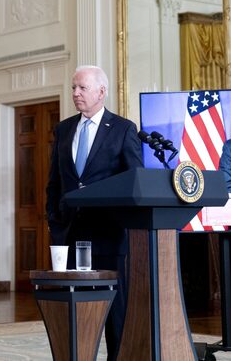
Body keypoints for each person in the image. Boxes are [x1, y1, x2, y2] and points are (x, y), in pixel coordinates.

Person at [45, 65, 143, 361]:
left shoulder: (124, 129)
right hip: (69, 234)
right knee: (73, 308)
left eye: (82, 88)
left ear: (102, 92)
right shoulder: (63, 129)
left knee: (115, 310)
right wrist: (54, 218)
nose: (75, 93)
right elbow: (54, 182)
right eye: (73, 87)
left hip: (109, 236)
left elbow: (135, 180)